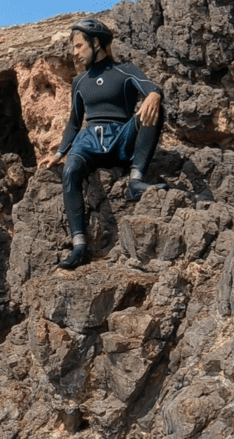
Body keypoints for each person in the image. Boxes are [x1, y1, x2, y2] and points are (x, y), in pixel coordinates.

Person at [40, 18, 165, 270]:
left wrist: (154, 93)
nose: (75, 53)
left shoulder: (125, 71)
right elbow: (74, 123)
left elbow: (150, 87)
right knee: (70, 170)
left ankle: (136, 180)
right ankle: (79, 246)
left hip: (122, 138)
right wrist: (59, 153)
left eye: (78, 46)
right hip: (89, 142)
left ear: (96, 43)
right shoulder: (79, 82)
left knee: (154, 109)